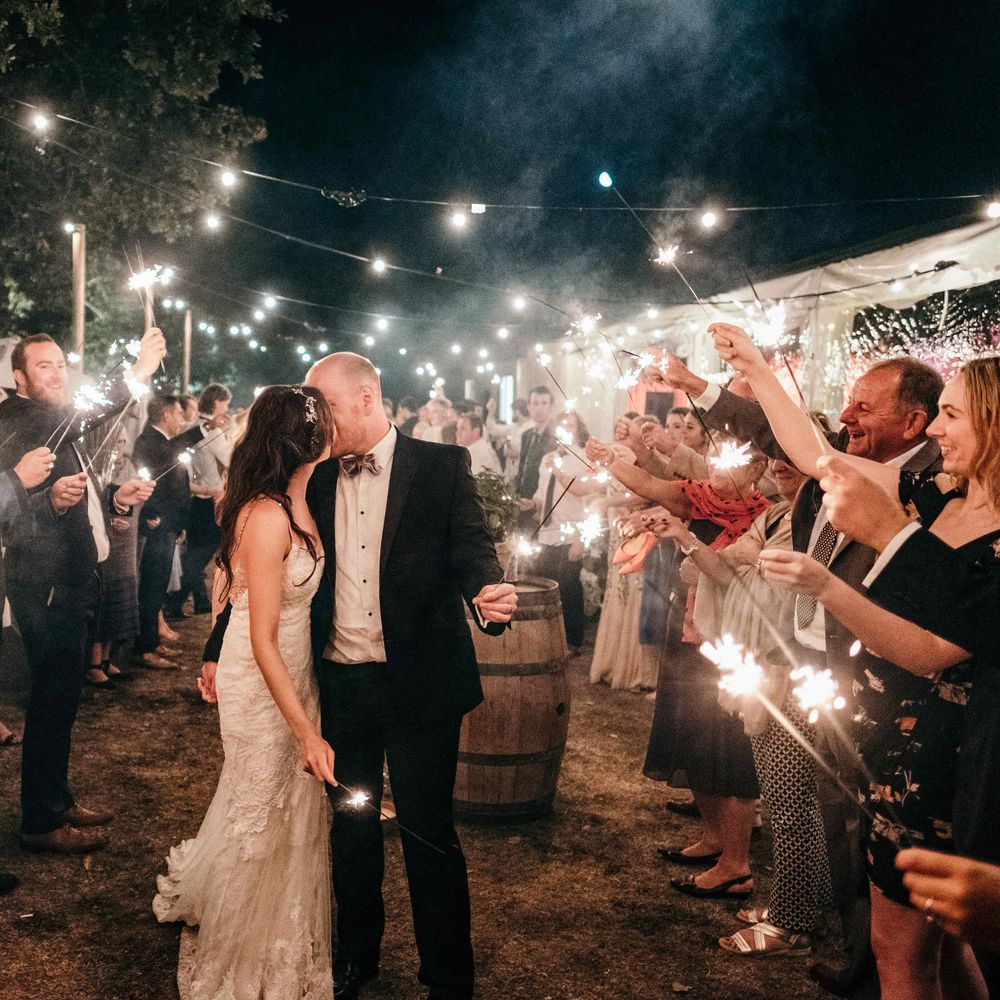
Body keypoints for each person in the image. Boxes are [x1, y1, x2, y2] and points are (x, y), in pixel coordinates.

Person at [208, 353, 517, 1000]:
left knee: (429, 834)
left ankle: (448, 978)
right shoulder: (313, 473)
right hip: (341, 686)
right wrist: (214, 647)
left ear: (366, 398)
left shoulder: (442, 465)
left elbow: (472, 548)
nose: (316, 421)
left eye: (325, 405)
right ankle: (356, 958)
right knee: (351, 829)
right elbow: (254, 574)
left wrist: (487, 593)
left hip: (421, 685)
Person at [647, 339, 944, 993]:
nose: (847, 416)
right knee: (830, 815)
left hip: (874, 682)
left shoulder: (927, 488)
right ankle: (855, 952)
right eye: (847, 404)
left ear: (914, 422)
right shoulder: (834, 477)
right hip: (804, 661)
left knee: (844, 818)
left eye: (864, 406)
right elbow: (775, 437)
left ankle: (844, 945)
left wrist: (747, 373)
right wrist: (711, 382)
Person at [154, 385, 337, 1000]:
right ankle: (241, 951)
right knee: (259, 801)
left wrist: (210, 648)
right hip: (261, 674)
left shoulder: (304, 497)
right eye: (325, 423)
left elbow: (225, 583)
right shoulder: (266, 516)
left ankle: (278, 921)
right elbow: (258, 636)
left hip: (297, 667)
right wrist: (305, 730)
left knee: (286, 803)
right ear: (304, 440)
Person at [652, 457, 833, 956]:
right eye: (777, 459)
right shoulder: (774, 514)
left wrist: (750, 560)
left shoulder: (824, 520)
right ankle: (805, 906)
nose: (782, 467)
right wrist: (683, 536)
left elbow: (781, 585)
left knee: (791, 801)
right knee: (782, 795)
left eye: (793, 460)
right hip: (757, 661)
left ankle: (792, 925)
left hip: (793, 666)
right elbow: (722, 570)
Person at [0, 328, 162, 853]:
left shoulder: (53, 422)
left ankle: (57, 799)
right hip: (45, 583)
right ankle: (41, 821)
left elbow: (75, 496)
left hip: (72, 579)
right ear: (19, 378)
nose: (56, 373)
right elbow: (15, 518)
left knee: (64, 698)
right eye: (42, 366)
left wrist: (115, 498)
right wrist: (136, 371)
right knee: (51, 700)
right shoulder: (22, 417)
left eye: (59, 364)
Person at [587, 434, 770, 899]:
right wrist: (610, 459)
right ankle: (713, 838)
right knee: (692, 738)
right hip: (686, 631)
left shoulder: (767, 517)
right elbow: (649, 483)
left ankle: (737, 864)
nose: (717, 470)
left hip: (731, 640)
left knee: (731, 749)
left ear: (756, 470)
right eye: (714, 460)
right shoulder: (698, 498)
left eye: (731, 464)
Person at [526, 412, 596, 654]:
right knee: (546, 587)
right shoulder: (548, 458)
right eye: (562, 426)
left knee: (569, 589)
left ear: (578, 429)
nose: (566, 429)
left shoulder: (584, 459)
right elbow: (542, 492)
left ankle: (572, 641)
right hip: (547, 533)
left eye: (570, 426)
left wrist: (581, 541)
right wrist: (531, 503)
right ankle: (548, 640)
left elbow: (588, 500)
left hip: (571, 534)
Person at [132, 394, 192, 669]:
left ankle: (153, 641)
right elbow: (148, 480)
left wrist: (180, 525)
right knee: (151, 587)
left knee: (157, 588)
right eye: (178, 413)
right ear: (166, 415)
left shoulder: (163, 441)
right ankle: (144, 648)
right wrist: (153, 514)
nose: (181, 418)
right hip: (158, 524)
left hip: (170, 524)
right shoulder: (148, 441)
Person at [165, 383, 232, 619]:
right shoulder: (212, 432)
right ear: (217, 402)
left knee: (195, 550)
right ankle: (175, 601)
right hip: (208, 499)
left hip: (193, 497)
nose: (227, 408)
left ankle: (195, 600)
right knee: (202, 551)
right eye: (226, 403)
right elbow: (230, 459)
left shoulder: (193, 427)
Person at [514, 387, 555, 526]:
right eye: (535, 403)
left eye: (544, 403)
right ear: (528, 407)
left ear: (551, 407)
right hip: (522, 502)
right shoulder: (526, 435)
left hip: (543, 505)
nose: (539, 408)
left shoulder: (556, 436)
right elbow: (522, 468)